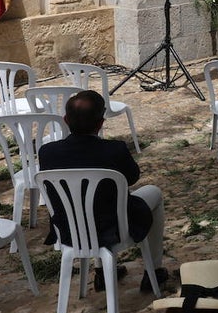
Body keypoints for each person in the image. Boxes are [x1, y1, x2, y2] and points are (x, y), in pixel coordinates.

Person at [39, 90, 168, 292]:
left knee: (88, 204)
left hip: (69, 230)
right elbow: (133, 177)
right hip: (114, 227)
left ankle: (101, 271)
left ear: (65, 120)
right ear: (101, 123)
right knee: (154, 193)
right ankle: (154, 270)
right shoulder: (114, 149)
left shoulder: (47, 152)